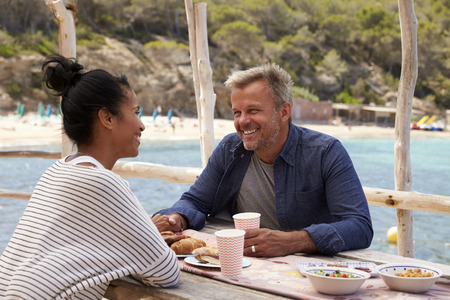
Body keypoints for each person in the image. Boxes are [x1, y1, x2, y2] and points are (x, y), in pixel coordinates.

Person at [0, 55, 180, 299]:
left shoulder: (59, 170)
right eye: (135, 112)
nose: (141, 125)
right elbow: (167, 273)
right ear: (106, 118)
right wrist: (143, 242)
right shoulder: (104, 182)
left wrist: (142, 235)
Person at [153, 63, 373, 257]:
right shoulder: (230, 149)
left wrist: (291, 241)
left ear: (284, 111)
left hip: (312, 273)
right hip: (242, 266)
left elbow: (359, 226)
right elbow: (196, 201)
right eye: (237, 112)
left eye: (253, 110)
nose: (243, 121)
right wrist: (176, 217)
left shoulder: (326, 152)